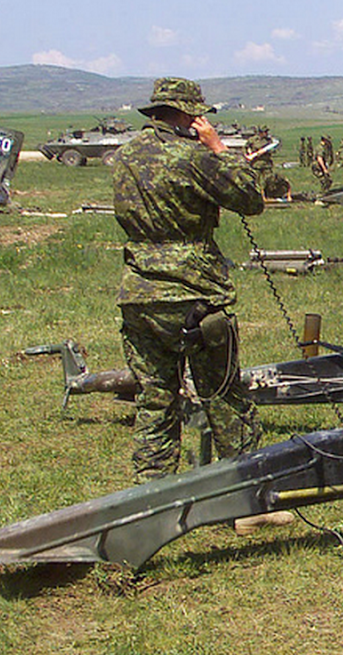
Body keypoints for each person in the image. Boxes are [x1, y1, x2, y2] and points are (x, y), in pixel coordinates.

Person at [112, 77, 265, 479]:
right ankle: (249, 498)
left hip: (139, 290)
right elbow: (250, 200)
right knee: (222, 396)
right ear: (186, 115)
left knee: (155, 399)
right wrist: (219, 149)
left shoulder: (125, 156)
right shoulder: (192, 157)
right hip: (194, 293)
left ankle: (149, 499)